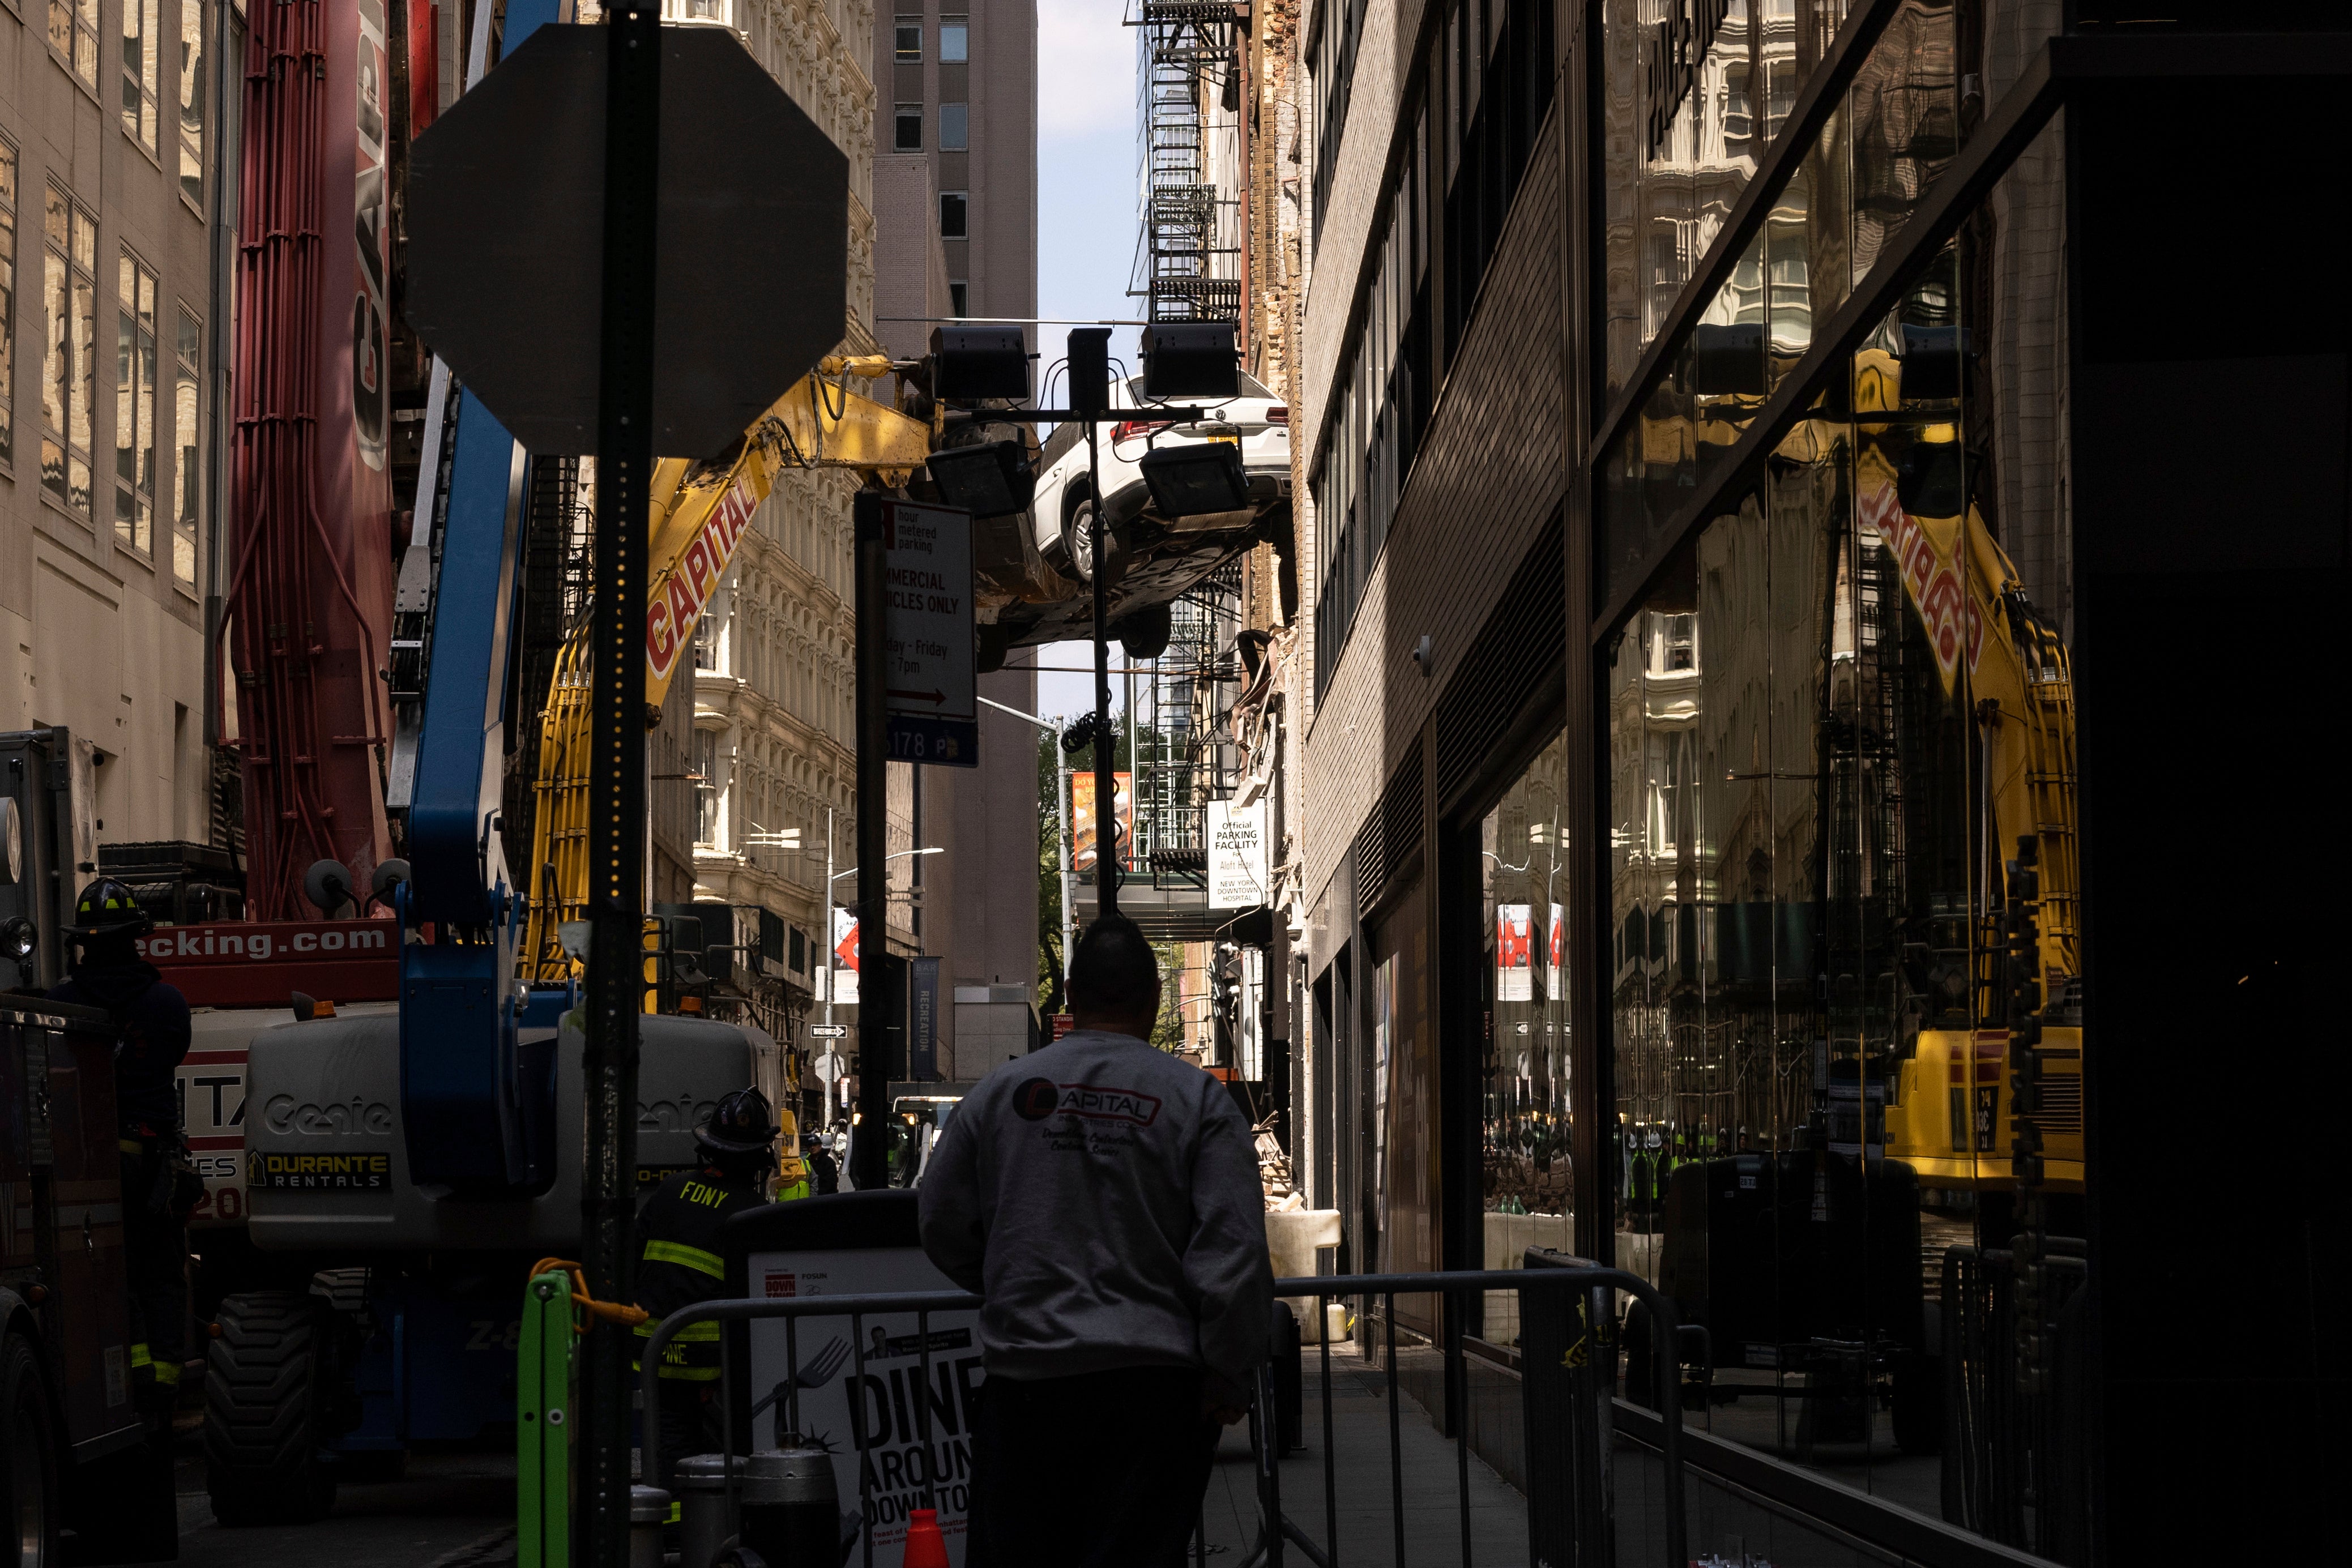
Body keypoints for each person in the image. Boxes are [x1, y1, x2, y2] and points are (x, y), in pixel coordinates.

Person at [920, 913, 1271, 1568]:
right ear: (1154, 1002)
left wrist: (1005, 1280)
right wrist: (1227, 1370)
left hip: (1027, 1388)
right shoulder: (1196, 1101)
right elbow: (1236, 1252)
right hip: (1153, 1397)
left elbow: (939, 1218)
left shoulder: (999, 1094)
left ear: (1071, 1000)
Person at [48, 879, 195, 1417]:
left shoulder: (60, 1003)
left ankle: (121, 1378)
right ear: (138, 936)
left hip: (84, 1167)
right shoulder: (165, 1002)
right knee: (159, 1274)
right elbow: (172, 1056)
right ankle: (162, 1385)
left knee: (106, 1274)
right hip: (152, 1163)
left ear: (83, 941)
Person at [634, 1087, 777, 1488]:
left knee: (668, 1448)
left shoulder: (669, 1190)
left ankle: (671, 1533)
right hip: (716, 1364)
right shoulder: (752, 1214)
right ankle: (704, 1535)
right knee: (721, 1459)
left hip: (655, 1349)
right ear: (758, 1157)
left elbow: (629, 1258)